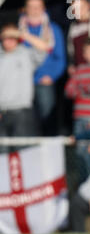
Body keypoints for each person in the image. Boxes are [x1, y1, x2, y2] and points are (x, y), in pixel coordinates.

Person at [19, 0, 66, 136]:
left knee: (47, 119)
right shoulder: (17, 31)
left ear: (43, 8)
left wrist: (51, 76)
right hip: (22, 83)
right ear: (25, 9)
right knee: (26, 122)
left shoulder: (53, 30)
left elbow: (60, 58)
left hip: (44, 81)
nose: (34, 10)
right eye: (31, 7)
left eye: (37, 7)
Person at [0, 22, 48, 151]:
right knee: (2, 155)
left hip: (22, 112)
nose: (9, 40)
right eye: (6, 36)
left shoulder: (26, 54)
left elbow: (44, 47)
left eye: (12, 36)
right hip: (1, 113)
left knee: (23, 152)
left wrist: (22, 34)